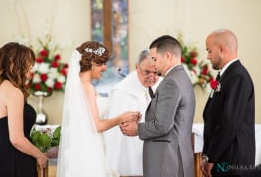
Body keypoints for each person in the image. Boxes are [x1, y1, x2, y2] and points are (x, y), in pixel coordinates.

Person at [56, 41, 140, 177]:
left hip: (79, 150)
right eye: (102, 63)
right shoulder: (87, 88)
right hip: (88, 151)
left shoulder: (75, 86)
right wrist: (121, 118)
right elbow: (97, 126)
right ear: (92, 63)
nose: (105, 68)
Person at [120, 35, 196, 177]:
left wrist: (137, 128)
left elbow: (162, 125)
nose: (154, 64)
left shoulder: (171, 82)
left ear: (168, 56)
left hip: (166, 161)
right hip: (175, 156)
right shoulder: (182, 77)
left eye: (155, 59)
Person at [0, 42, 48, 177]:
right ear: (14, 64)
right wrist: (40, 155)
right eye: (28, 64)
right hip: (13, 161)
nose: (31, 69)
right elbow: (16, 139)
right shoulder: (14, 92)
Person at [201, 29, 255, 177]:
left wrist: (211, 157)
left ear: (222, 49)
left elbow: (228, 122)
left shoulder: (238, 76)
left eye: (209, 51)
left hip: (231, 161)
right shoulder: (226, 75)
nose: (207, 56)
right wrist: (208, 155)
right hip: (224, 157)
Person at [104, 50, 162, 177]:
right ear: (137, 67)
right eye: (147, 72)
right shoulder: (123, 91)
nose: (152, 77)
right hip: (130, 155)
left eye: (156, 72)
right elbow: (116, 135)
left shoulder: (163, 85)